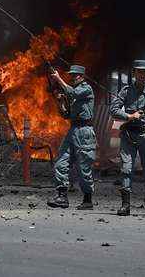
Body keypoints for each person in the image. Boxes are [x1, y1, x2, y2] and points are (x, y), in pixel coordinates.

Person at [110, 59, 145, 216]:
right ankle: (125, 205)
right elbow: (113, 109)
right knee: (126, 168)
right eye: (139, 72)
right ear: (134, 73)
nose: (142, 75)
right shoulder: (126, 91)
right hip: (129, 135)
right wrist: (129, 115)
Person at [47, 65, 96, 210]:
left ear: (82, 76)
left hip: (84, 131)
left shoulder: (86, 89)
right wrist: (59, 101)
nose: (74, 77)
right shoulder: (73, 93)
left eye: (76, 75)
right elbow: (66, 114)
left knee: (84, 167)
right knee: (61, 161)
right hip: (73, 129)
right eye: (72, 75)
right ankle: (62, 196)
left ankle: (87, 200)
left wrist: (58, 79)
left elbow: (72, 92)